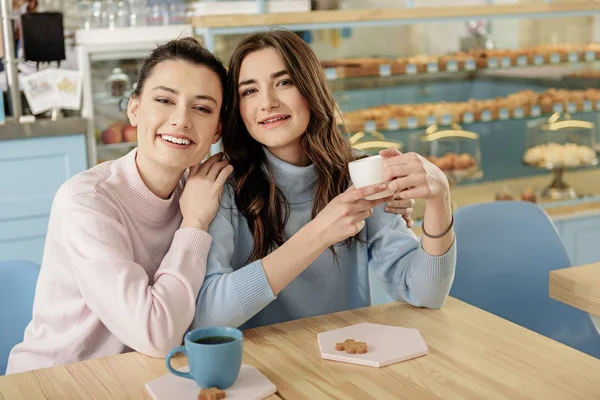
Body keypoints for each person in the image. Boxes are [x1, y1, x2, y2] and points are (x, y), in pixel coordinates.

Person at [191, 29, 456, 331]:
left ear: (311, 87)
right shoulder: (223, 186)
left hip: (345, 363)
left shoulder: (359, 172)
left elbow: (426, 293)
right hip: (260, 367)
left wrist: (440, 199)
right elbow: (207, 317)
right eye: (249, 91)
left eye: (284, 82)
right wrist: (318, 234)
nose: (267, 102)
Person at [6, 37, 232, 374]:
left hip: (135, 376)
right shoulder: (87, 202)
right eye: (164, 100)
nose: (181, 120)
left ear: (217, 130)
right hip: (53, 382)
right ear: (134, 108)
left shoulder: (201, 190)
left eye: (201, 108)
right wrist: (195, 223)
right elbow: (157, 335)